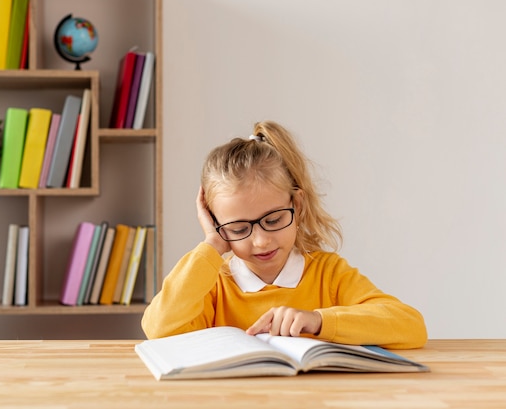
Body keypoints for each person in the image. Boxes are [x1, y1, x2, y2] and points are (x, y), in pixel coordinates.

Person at [142, 121, 427, 349]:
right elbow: (158, 329)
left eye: (274, 219)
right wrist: (212, 245)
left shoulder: (329, 275)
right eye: (239, 229)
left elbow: (410, 326)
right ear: (218, 225)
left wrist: (317, 321)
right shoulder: (212, 284)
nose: (261, 241)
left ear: (297, 205)